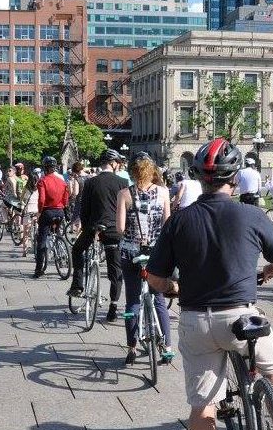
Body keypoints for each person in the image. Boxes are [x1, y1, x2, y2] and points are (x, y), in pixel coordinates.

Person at [145, 138, 273, 430]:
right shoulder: (252, 214)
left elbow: (155, 276)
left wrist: (172, 289)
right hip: (242, 317)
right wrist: (266, 274)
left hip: (197, 319)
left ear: (199, 176)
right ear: (235, 177)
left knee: (203, 403)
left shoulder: (180, 220)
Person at [116, 153, 173, 365]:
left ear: (132, 171)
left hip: (131, 253)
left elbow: (120, 228)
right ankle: (167, 347)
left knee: (132, 302)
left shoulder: (124, 194)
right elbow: (167, 225)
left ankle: (131, 347)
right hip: (156, 254)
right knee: (158, 299)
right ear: (152, 171)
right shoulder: (164, 192)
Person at [67, 149, 127, 322]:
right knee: (115, 270)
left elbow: (85, 209)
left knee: (77, 250)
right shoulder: (122, 182)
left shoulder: (90, 182)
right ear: (114, 164)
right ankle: (113, 307)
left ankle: (78, 284)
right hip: (114, 230)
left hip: (93, 227)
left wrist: (86, 229)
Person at [33, 156, 69, 278]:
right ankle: (61, 250)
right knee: (57, 232)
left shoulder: (43, 181)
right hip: (60, 211)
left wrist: (39, 212)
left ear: (45, 168)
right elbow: (66, 198)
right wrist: (62, 206)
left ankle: (38, 270)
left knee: (41, 240)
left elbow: (41, 199)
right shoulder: (62, 181)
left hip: (48, 211)